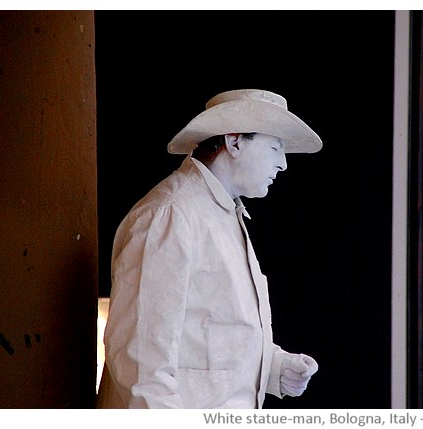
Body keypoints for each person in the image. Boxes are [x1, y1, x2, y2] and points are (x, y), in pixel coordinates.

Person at [96, 89, 321, 409]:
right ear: (234, 142)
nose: (283, 164)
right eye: (274, 148)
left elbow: (209, 333)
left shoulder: (221, 214)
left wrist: (273, 367)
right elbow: (141, 364)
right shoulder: (171, 214)